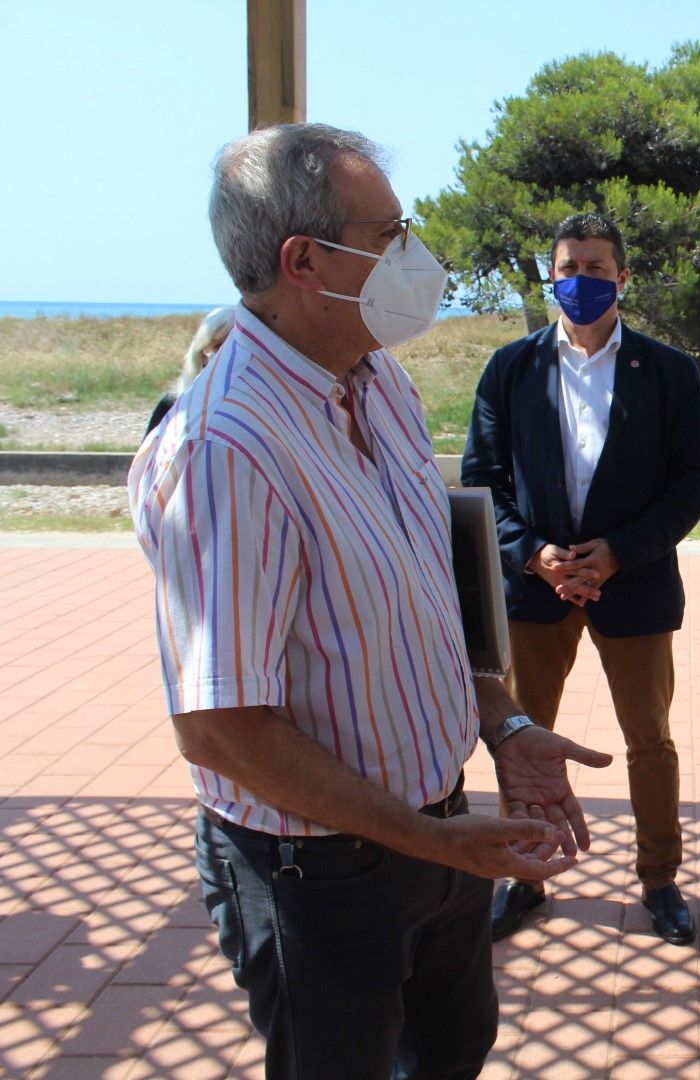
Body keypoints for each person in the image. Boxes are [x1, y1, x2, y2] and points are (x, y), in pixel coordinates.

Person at [128, 123, 612, 1080]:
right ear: (304, 260)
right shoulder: (228, 449)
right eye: (389, 233)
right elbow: (222, 728)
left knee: (452, 1049)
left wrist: (504, 726)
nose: (415, 256)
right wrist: (428, 838)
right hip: (319, 868)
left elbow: (424, 602)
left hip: (436, 831)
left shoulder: (375, 380)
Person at [462, 212, 700, 946]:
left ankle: (660, 879)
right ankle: (525, 875)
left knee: (651, 740)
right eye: (568, 268)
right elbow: (482, 479)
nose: (580, 281)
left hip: (632, 586)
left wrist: (619, 552)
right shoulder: (512, 368)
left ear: (623, 278)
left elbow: (694, 478)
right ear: (552, 276)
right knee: (520, 734)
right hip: (534, 590)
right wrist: (532, 552)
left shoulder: (666, 370)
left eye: (597, 268)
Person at [145, 306, 233, 434]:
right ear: (203, 354)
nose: (227, 353)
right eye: (219, 346)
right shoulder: (171, 405)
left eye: (232, 346)